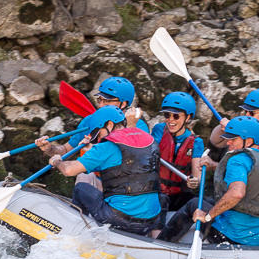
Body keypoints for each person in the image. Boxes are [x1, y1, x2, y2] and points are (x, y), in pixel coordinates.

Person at [161, 116, 259, 246]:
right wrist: (213, 165)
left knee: (194, 204)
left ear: (248, 141)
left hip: (232, 237)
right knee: (209, 200)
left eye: (233, 139)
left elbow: (237, 193)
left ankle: (160, 245)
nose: (228, 142)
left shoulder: (237, 159)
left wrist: (208, 216)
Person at [47, 106, 162, 236]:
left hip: (120, 219)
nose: (98, 140)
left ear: (110, 124)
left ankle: (72, 230)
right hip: (151, 220)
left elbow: (69, 170)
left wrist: (57, 162)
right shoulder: (149, 141)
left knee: (81, 188)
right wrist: (86, 150)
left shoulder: (106, 147)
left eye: (99, 133)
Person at [37, 76, 147, 158]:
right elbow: (66, 150)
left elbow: (140, 157)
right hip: (93, 176)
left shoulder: (139, 126)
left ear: (123, 104)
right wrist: (49, 149)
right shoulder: (90, 120)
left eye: (107, 101)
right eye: (100, 100)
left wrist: (131, 127)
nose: (101, 105)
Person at [209, 88, 259, 177]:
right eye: (246, 111)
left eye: (252, 113)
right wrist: (224, 128)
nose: (247, 115)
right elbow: (216, 142)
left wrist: (216, 166)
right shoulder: (244, 128)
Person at [152, 92, 205, 212]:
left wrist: (195, 182)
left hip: (178, 196)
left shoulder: (196, 142)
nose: (170, 120)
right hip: (155, 191)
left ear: (188, 118)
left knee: (198, 203)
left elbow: (197, 176)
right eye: (167, 115)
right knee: (162, 198)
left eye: (176, 116)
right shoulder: (159, 130)